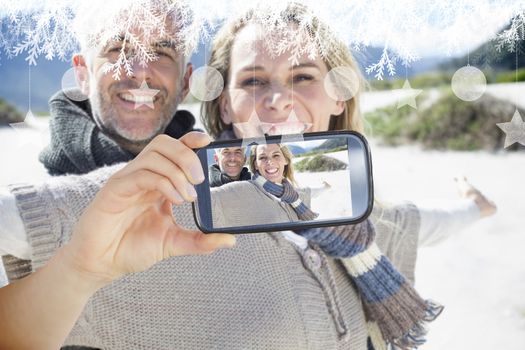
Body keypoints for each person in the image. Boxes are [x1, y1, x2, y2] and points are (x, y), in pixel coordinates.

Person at [0, 2, 496, 349]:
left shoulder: (351, 209)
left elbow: (421, 221)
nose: (277, 100)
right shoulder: (178, 199)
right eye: (254, 80)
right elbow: (34, 220)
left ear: (339, 94)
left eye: (303, 76)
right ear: (225, 102)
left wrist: (476, 205)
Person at [210, 143, 318, 228]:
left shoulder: (291, 194)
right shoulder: (244, 188)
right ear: (256, 164)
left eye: (238, 151)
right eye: (226, 152)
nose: (232, 158)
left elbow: (304, 192)